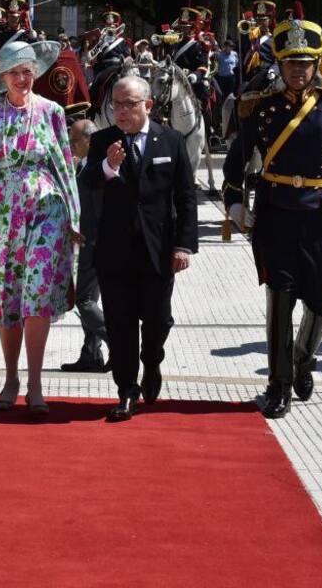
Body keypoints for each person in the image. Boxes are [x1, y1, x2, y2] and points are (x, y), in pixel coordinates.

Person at [223, 12, 322, 419]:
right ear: (280, 66)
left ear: (316, 65)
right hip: (274, 213)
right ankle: (278, 384)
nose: (298, 71)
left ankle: (304, 357)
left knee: (320, 301)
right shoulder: (259, 108)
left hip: (318, 215)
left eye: (305, 64)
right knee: (279, 299)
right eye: (291, 64)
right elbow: (238, 160)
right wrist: (235, 202)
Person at [0, 39, 80, 416]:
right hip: (0, 214)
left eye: (28, 71)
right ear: (2, 76)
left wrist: (74, 215)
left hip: (45, 210)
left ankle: (36, 383)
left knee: (37, 294)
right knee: (9, 297)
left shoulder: (52, 111)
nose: (23, 78)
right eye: (15, 72)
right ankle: (11, 378)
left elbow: (65, 165)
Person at [86, 75, 197, 421]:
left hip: (158, 250)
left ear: (147, 105)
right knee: (120, 326)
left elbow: (186, 196)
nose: (120, 111)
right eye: (115, 104)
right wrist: (109, 167)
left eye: (129, 104)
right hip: (115, 250)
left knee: (157, 321)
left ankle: (152, 363)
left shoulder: (172, 140)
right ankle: (126, 391)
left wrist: (184, 245)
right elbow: (88, 182)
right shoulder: (103, 140)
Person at [61, 118, 110, 373]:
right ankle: (91, 354)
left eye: (74, 141)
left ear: (89, 140)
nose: (70, 146)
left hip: (93, 243)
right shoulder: (84, 164)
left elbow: (101, 209)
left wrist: (89, 236)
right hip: (87, 242)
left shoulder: (99, 166)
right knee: (89, 297)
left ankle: (118, 341)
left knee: (83, 301)